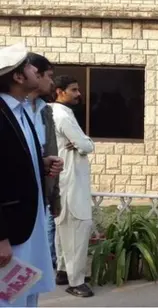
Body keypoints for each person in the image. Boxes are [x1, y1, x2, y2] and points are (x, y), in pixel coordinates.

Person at [0, 43, 62, 307]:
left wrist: (41, 163)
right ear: (17, 76)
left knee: (28, 294)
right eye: (28, 66)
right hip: (12, 233)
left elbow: (15, 161)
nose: (35, 70)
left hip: (30, 226)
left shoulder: (21, 111)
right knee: (9, 299)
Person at [50, 75, 95, 298]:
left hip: (65, 180)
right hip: (70, 182)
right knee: (78, 226)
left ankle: (62, 271)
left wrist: (82, 142)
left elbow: (82, 143)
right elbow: (86, 145)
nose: (79, 94)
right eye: (74, 90)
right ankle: (76, 281)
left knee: (63, 228)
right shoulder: (61, 115)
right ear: (60, 91)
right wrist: (85, 142)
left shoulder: (59, 113)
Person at [23, 53, 60, 270]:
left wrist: (54, 194)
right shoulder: (11, 109)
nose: (51, 81)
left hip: (39, 192)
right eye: (47, 75)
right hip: (16, 200)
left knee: (33, 270)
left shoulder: (45, 111)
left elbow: (49, 150)